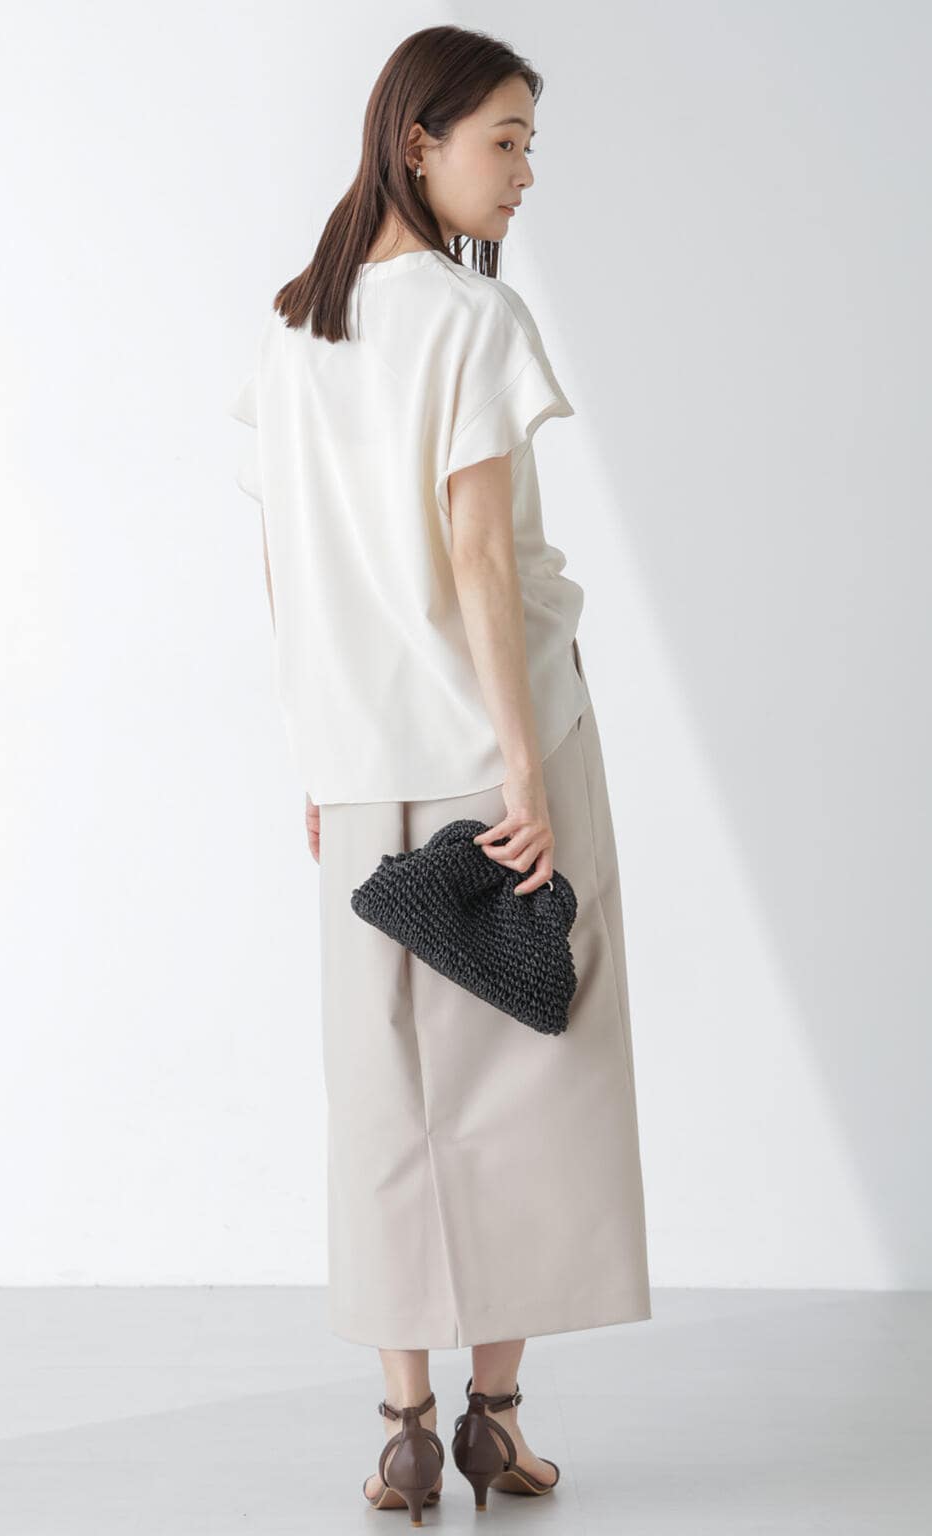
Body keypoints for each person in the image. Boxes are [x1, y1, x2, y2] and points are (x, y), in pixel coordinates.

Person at [227, 24, 650, 1519]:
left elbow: (286, 565)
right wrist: (526, 773)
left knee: (385, 1096)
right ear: (420, 141)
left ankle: (401, 1429)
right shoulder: (477, 321)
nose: (526, 173)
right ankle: (494, 1421)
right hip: (495, 754)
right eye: (506, 141)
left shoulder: (294, 331)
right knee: (529, 1071)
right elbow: (478, 556)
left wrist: (317, 756)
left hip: (359, 772)